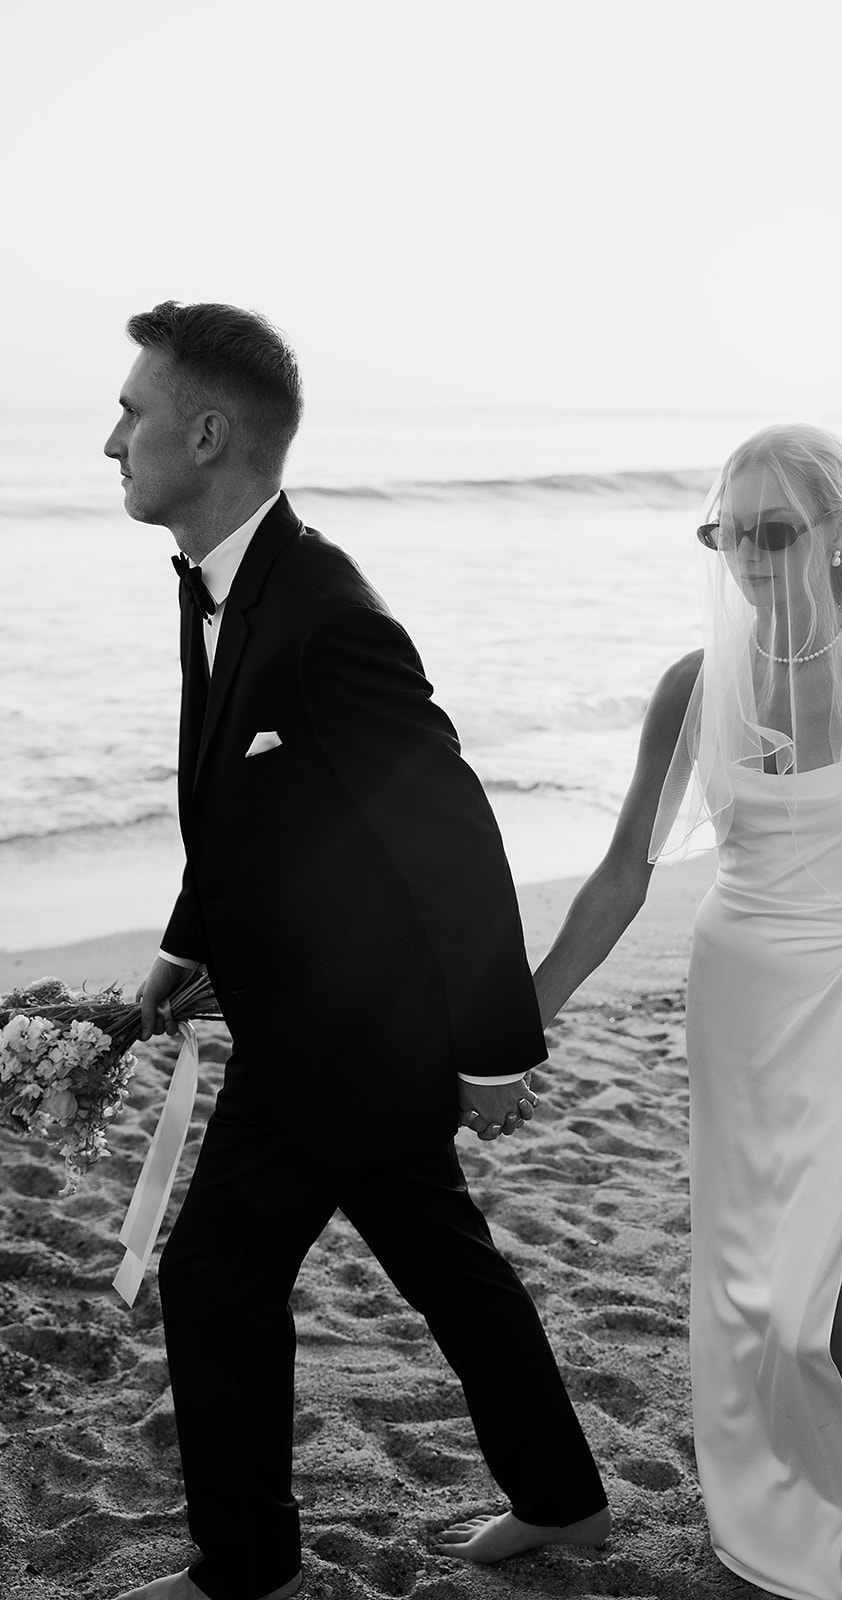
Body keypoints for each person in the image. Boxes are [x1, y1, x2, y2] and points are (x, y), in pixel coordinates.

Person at [103, 301, 610, 1600]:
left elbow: (447, 834)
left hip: (343, 1039)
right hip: (310, 1020)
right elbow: (244, 803)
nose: (112, 441)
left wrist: (496, 1051)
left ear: (205, 432)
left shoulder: (328, 614)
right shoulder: (222, 585)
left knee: (214, 1279)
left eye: (131, 413)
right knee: (447, 1266)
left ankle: (248, 1572)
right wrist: (184, 939)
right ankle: (558, 1500)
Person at [533, 425, 842, 1600]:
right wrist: (527, 1007)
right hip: (737, 1009)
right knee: (751, 1299)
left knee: (807, 1309)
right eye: (724, 530)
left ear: (840, 532)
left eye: (773, 529)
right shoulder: (694, 686)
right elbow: (624, 869)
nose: (743, 554)